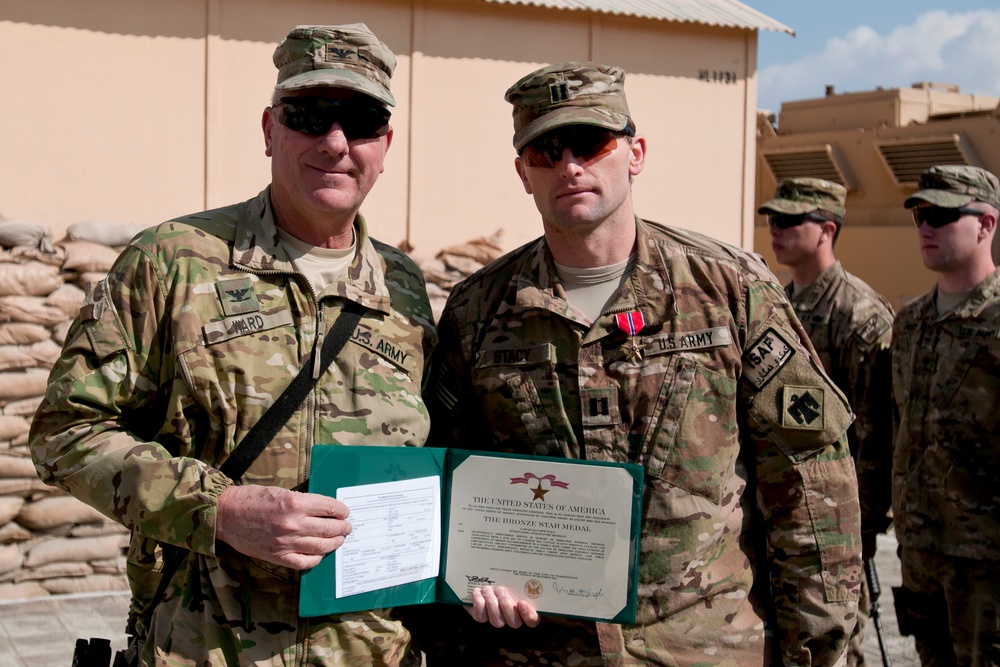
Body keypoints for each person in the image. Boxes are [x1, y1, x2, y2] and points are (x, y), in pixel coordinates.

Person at [422, 62, 862, 666]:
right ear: (523, 171)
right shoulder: (478, 310)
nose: (570, 165)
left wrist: (818, 649)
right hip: (536, 650)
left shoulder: (728, 290)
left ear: (636, 152)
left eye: (591, 142)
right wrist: (469, 588)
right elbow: (447, 479)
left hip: (704, 648)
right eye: (546, 150)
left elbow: (809, 478)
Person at [29, 23, 433, 666]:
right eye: (308, 116)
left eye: (358, 121)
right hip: (204, 650)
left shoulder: (405, 291)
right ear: (271, 129)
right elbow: (65, 432)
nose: (334, 143)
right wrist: (221, 509)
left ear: (385, 144)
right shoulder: (173, 262)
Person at [761, 177, 894, 667]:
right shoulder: (777, 305)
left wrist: (863, 529)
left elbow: (878, 434)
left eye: (791, 220)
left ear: (826, 230)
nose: (776, 229)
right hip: (778, 511)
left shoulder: (860, 315)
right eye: (772, 219)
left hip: (836, 522)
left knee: (832, 650)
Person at [892, 165, 1000, 666]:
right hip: (919, 550)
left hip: (986, 562)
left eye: (941, 215)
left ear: (986, 225)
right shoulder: (911, 322)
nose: (925, 228)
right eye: (919, 216)